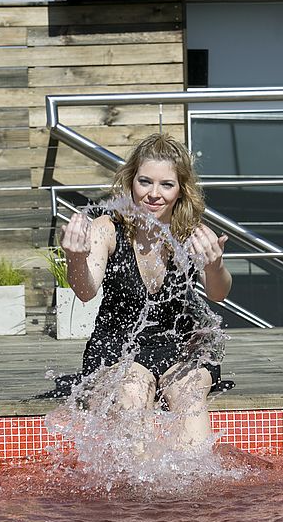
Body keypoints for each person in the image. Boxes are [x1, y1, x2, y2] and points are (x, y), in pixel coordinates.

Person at [59, 133, 232, 449]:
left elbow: (218, 293)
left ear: (180, 190)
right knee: (133, 390)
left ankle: (195, 488)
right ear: (130, 183)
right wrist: (74, 257)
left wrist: (214, 266)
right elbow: (86, 290)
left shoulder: (188, 233)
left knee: (189, 391)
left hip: (178, 345)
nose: (154, 194)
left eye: (166, 184)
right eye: (145, 182)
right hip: (117, 347)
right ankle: (140, 492)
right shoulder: (106, 230)